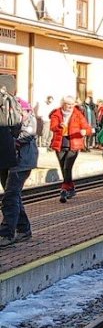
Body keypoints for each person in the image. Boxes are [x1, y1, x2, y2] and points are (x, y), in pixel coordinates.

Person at [0, 94, 36, 248]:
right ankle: (23, 228)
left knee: (10, 197)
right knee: (13, 197)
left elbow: (26, 136)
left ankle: (6, 233)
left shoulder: (28, 120)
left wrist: (9, 141)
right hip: (8, 160)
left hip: (22, 162)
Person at [49, 96, 91, 203]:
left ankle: (64, 189)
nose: (71, 106)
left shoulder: (78, 114)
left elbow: (88, 128)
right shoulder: (56, 113)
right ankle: (70, 188)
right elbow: (52, 127)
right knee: (63, 167)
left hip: (74, 143)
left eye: (72, 104)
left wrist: (85, 132)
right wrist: (59, 126)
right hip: (60, 143)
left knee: (67, 167)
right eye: (68, 104)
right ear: (63, 104)